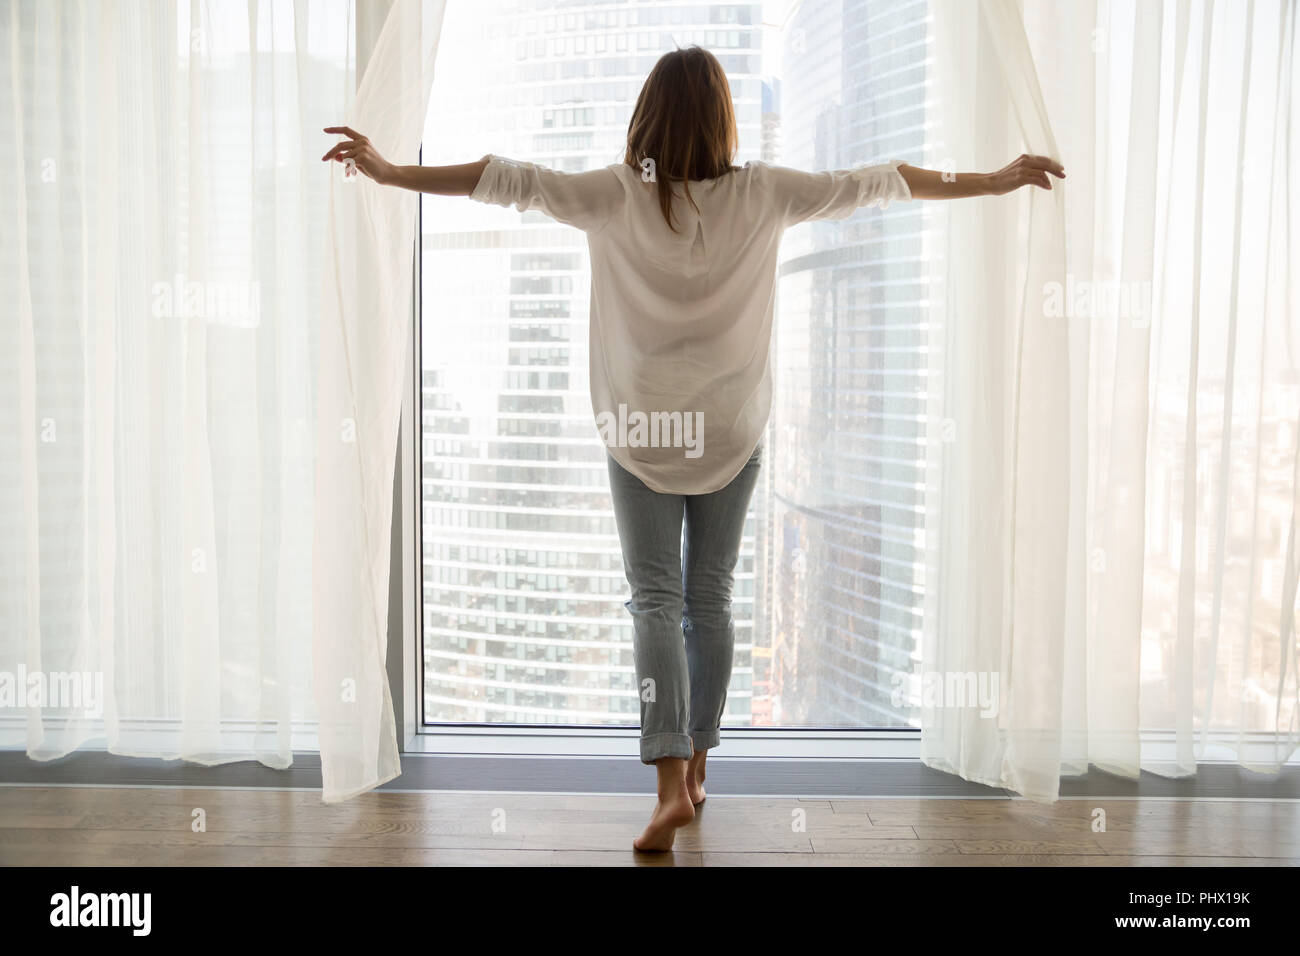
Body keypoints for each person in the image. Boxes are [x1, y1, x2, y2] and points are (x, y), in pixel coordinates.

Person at [323, 45, 1065, 853]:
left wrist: (393, 174)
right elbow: (882, 181)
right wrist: (991, 180)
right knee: (708, 598)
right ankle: (701, 766)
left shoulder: (614, 194)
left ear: (646, 115)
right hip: (731, 427)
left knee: (655, 600)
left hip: (641, 430)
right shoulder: (766, 194)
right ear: (723, 119)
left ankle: (671, 783)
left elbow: (508, 178)